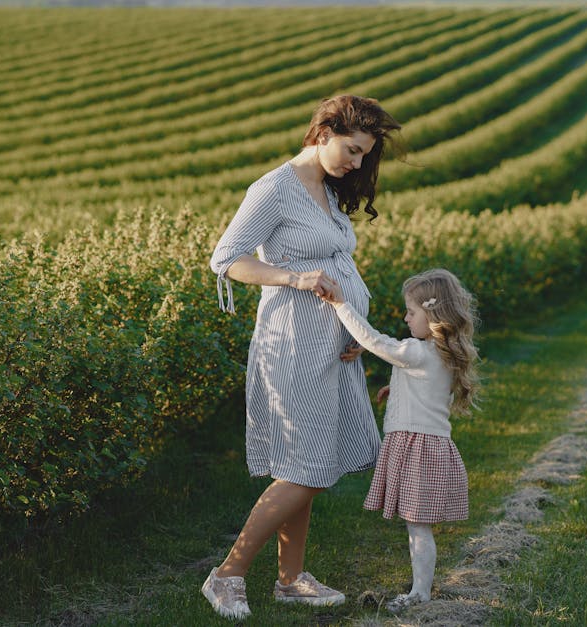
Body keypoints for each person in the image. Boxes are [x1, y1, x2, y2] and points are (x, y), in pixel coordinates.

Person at [202, 95, 403, 620]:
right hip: (291, 344)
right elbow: (227, 258)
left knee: (309, 461)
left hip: (331, 348)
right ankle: (227, 575)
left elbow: (337, 265)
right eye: (352, 151)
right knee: (307, 470)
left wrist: (356, 329)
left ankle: (291, 579)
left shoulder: (329, 191)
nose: (357, 164)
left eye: (364, 156)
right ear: (324, 132)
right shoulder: (274, 189)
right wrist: (293, 277)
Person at [317, 268, 480, 615]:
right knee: (416, 524)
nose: (405, 318)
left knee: (418, 526)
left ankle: (421, 593)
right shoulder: (443, 353)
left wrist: (342, 305)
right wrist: (401, 389)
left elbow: (378, 342)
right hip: (429, 447)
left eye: (411, 312)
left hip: (417, 450)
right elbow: (430, 390)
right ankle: (420, 588)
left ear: (433, 315)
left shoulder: (417, 352)